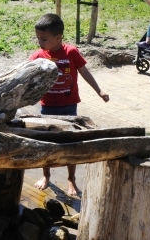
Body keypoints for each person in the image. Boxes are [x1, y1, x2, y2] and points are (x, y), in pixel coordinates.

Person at [30, 13, 109, 196]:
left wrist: (99, 91)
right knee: (46, 143)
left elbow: (84, 72)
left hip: (69, 107)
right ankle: (46, 175)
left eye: (44, 39)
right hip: (47, 107)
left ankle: (71, 179)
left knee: (70, 143)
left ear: (58, 38)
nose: (40, 42)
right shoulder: (39, 55)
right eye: (38, 38)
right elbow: (24, 73)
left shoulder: (71, 52)